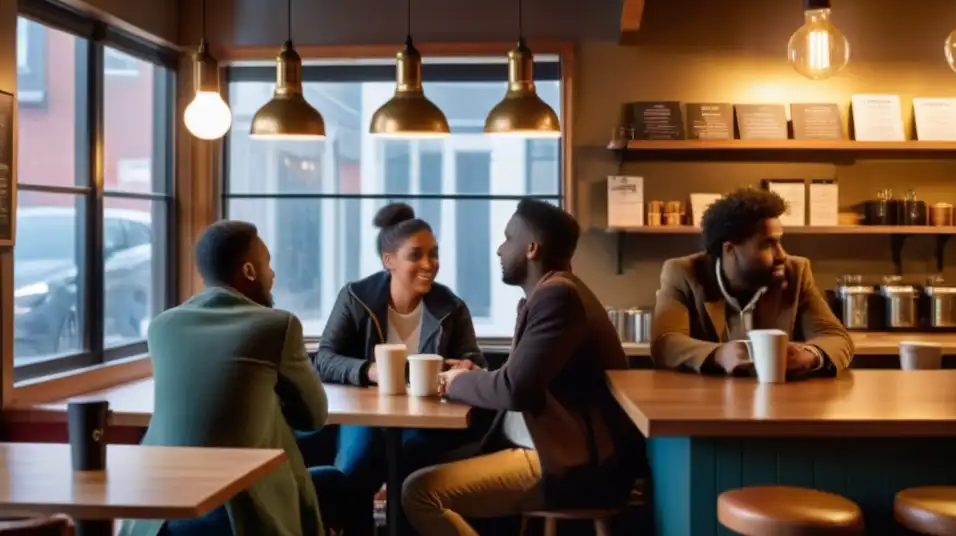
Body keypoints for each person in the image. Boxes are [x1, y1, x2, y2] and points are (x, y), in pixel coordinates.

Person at [401, 199, 645, 536]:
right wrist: (473, 376)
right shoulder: (556, 292)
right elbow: (521, 379)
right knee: (416, 458)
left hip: (571, 465)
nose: (500, 250)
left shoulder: (558, 298)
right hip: (551, 449)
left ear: (531, 249)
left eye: (508, 238)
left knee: (420, 493)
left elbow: (516, 390)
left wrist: (453, 383)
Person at [120, 220, 347, 536]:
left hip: (158, 512)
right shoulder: (277, 326)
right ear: (250, 271)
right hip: (239, 512)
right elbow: (313, 416)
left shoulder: (162, 327)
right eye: (267, 264)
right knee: (336, 482)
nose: (273, 274)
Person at [314, 203, 488, 536]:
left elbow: (474, 359)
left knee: (415, 466)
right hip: (365, 414)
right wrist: (369, 371)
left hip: (423, 416)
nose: (428, 265)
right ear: (389, 260)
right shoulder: (356, 297)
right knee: (354, 466)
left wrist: (468, 365)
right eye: (416, 256)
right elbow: (324, 358)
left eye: (434, 255)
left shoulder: (451, 307)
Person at [652, 187, 854, 377]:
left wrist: (809, 355)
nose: (782, 255)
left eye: (780, 241)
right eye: (768, 244)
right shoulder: (684, 272)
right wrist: (719, 355)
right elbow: (665, 342)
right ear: (729, 250)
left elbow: (836, 337)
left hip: (780, 400)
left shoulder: (796, 272)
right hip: (708, 402)